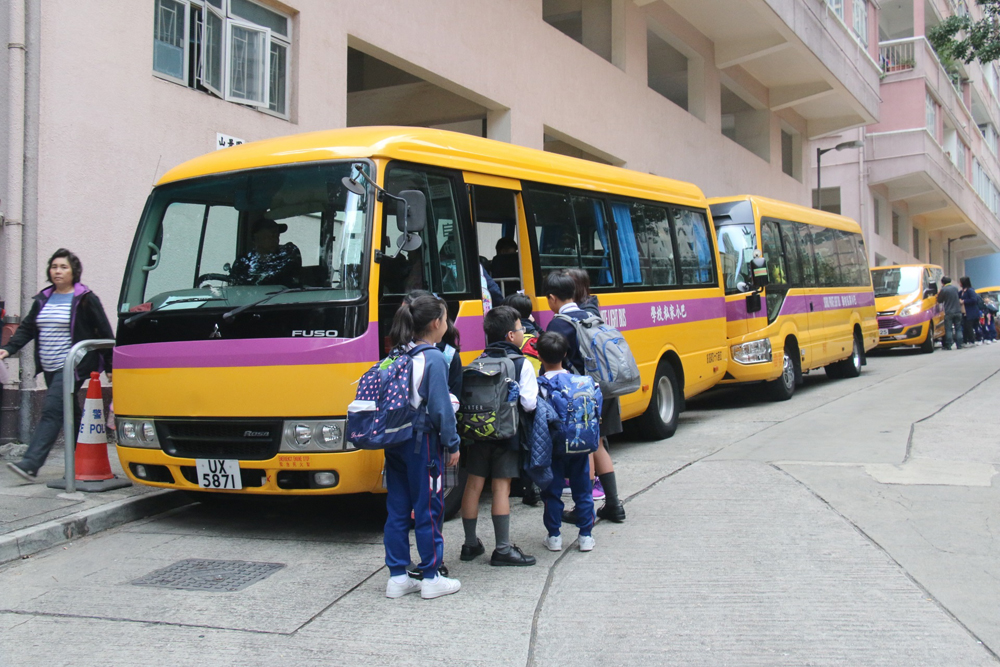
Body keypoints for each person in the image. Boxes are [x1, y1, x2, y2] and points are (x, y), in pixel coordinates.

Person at [1, 249, 114, 481]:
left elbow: (104, 331)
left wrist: (111, 366)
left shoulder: (85, 298)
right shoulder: (44, 298)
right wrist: (8, 348)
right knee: (69, 411)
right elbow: (28, 328)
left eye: (63, 267)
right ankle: (82, 461)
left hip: (74, 364)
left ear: (74, 271)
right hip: (51, 365)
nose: (58, 271)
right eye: (54, 267)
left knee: (52, 410)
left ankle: (31, 464)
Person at [381, 294, 462, 599]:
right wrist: (452, 444)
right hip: (423, 443)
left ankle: (398, 576)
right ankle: (431, 575)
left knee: (397, 509)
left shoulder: (396, 354)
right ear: (436, 323)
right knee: (429, 508)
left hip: (394, 440)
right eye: (445, 317)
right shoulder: (434, 358)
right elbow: (441, 409)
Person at [544, 270, 627, 522]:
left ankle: (584, 511)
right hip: (601, 390)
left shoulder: (558, 324)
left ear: (551, 298)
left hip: (578, 396)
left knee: (585, 450)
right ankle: (614, 504)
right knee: (597, 444)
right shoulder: (590, 315)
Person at [459, 305, 538, 566]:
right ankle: (502, 549)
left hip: (477, 433)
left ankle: (470, 544)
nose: (523, 332)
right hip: (507, 434)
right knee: (500, 487)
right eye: (519, 329)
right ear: (509, 336)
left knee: (473, 484)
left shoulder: (476, 362)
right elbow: (529, 403)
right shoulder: (520, 363)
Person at [536, 331, 598, 553]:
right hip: (579, 442)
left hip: (552, 446)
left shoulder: (540, 385)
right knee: (582, 490)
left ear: (539, 356)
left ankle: (554, 536)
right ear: (565, 353)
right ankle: (586, 536)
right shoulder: (583, 381)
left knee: (552, 491)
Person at [228, 215, 302, 287]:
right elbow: (236, 289)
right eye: (269, 236)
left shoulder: (287, 256)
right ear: (256, 239)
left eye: (277, 236)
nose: (275, 240)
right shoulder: (243, 263)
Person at [937, 276, 963, 350]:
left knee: (948, 329)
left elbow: (939, 300)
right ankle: (959, 344)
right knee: (958, 328)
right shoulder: (955, 288)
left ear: (943, 283)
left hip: (949, 312)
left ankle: (948, 345)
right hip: (958, 311)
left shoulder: (943, 289)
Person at [959, 277, 981, 346]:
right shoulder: (962, 291)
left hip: (970, 312)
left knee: (969, 326)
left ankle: (972, 340)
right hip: (964, 312)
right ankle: (965, 341)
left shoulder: (970, 291)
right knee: (965, 326)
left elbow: (974, 300)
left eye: (960, 282)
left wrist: (964, 301)